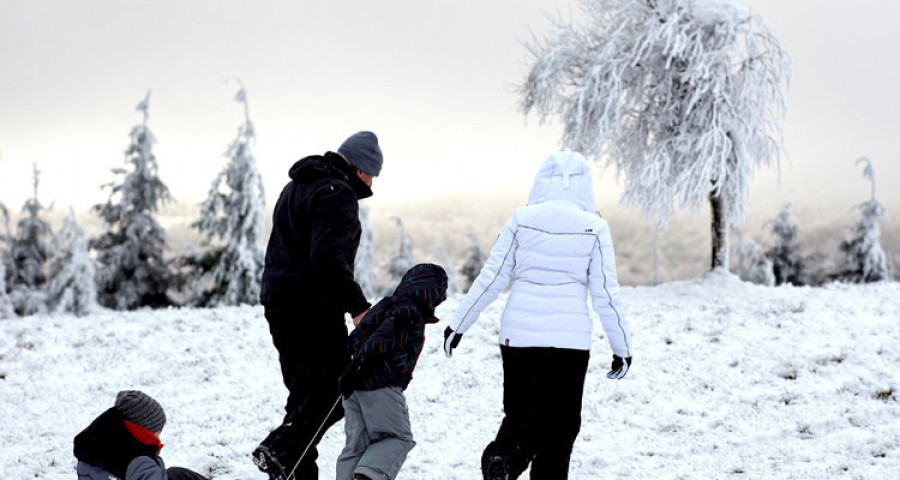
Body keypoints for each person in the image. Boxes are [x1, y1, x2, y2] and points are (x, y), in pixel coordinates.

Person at [443, 151, 634, 480]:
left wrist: (458, 325)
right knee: (559, 432)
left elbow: (493, 277)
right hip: (569, 345)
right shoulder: (595, 227)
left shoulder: (521, 219)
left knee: (520, 419)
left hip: (520, 339)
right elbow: (606, 293)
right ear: (585, 187)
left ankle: (502, 458)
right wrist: (622, 348)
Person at [254, 131, 383, 480]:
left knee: (304, 395)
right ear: (359, 169)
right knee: (336, 388)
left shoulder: (297, 186)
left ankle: (291, 470)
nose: (373, 182)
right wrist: (358, 307)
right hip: (312, 308)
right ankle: (281, 449)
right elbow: (327, 259)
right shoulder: (337, 194)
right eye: (373, 173)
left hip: (279, 303)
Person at [336, 263, 448, 480]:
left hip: (354, 387)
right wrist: (358, 368)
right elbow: (380, 341)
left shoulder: (386, 305)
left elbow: (357, 338)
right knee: (399, 438)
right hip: (380, 384)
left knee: (356, 446)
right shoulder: (409, 312)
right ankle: (368, 477)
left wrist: (349, 372)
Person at [73, 390, 208, 480]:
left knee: (176, 474)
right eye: (157, 434)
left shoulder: (97, 447)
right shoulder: (138, 461)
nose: (158, 440)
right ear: (143, 432)